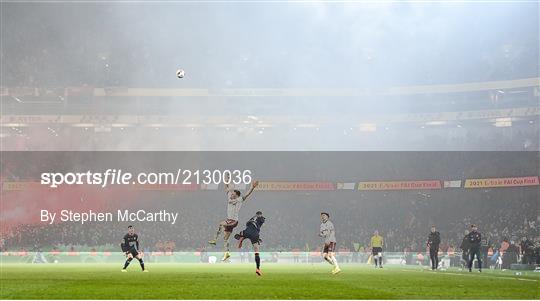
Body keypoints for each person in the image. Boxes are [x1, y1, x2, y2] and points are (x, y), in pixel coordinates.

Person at [208, 178, 259, 261]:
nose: (231, 195)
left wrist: (252, 187)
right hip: (229, 220)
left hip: (233, 221)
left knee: (221, 223)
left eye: (233, 195)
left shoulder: (239, 200)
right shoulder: (229, 196)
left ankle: (214, 240)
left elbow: (247, 194)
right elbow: (226, 188)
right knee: (225, 238)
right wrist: (226, 181)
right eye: (231, 194)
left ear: (237, 196)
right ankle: (227, 254)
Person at [234, 211, 266, 276]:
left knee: (237, 235)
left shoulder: (251, 219)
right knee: (256, 252)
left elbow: (247, 224)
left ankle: (241, 238)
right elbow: (263, 222)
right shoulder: (261, 218)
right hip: (255, 234)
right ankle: (258, 269)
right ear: (260, 214)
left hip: (246, 231)